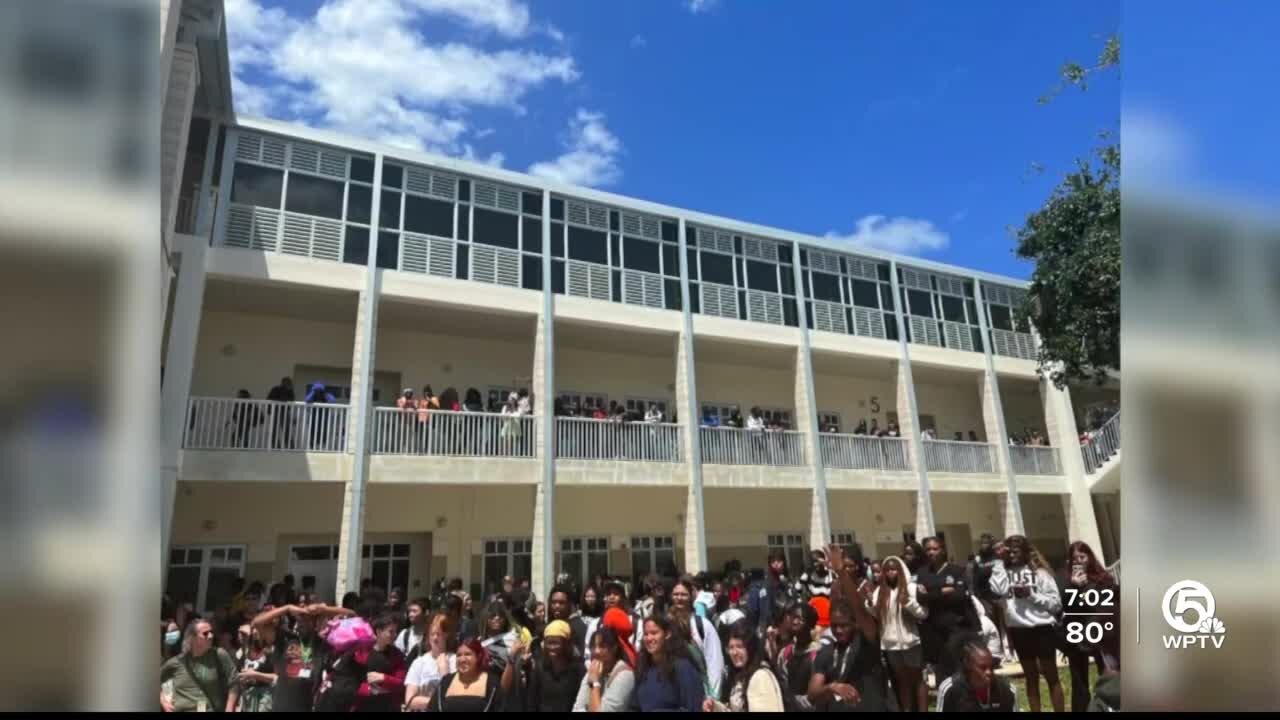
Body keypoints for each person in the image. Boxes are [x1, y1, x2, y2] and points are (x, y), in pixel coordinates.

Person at [990, 535, 1063, 713]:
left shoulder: (1040, 573)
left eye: (1016, 551)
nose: (1012, 555)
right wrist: (999, 562)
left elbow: (1056, 604)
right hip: (1019, 630)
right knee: (1031, 678)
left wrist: (1031, 595)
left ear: (1025, 552)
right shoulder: (1003, 572)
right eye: (1009, 551)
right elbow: (997, 590)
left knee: (1051, 676)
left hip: (1042, 628)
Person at [1060, 540, 1119, 711]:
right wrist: (1074, 587)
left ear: (1090, 557)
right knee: (1079, 682)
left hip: (1101, 633)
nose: (1078, 561)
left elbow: (1108, 605)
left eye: (1082, 557)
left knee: (1109, 674)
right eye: (1074, 558)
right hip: (1078, 634)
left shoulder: (1103, 579)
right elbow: (1067, 608)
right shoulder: (1067, 582)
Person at [917, 536, 979, 685]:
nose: (931, 552)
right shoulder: (923, 573)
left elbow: (959, 596)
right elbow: (920, 598)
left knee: (958, 666)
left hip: (957, 627)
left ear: (943, 550)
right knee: (941, 668)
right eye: (928, 549)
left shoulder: (957, 570)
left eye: (935, 549)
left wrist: (931, 593)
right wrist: (943, 591)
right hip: (934, 629)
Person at [873, 555, 928, 712]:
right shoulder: (880, 591)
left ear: (900, 570)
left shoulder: (911, 588)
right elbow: (878, 616)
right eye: (887, 570)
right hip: (891, 644)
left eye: (894, 569)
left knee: (917, 678)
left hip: (911, 641)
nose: (891, 573)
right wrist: (870, 604)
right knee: (902, 680)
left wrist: (909, 603)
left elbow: (923, 614)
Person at [502, 620, 584, 712]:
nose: (552, 647)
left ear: (566, 644)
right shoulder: (540, 668)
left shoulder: (578, 670)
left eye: (556, 643)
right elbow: (532, 702)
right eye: (549, 643)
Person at [702, 621, 784, 712]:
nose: (734, 652)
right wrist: (715, 707)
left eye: (740, 646)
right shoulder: (740, 676)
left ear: (750, 647)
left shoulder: (760, 677)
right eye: (731, 647)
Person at [160, 619, 240, 712]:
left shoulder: (219, 655)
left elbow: (234, 682)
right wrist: (163, 702)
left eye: (211, 632)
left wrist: (229, 708)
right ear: (192, 638)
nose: (211, 636)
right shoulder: (177, 661)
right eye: (205, 633)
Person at [632, 614, 704, 712]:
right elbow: (634, 706)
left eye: (654, 633)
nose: (649, 638)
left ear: (667, 634)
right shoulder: (643, 668)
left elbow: (694, 707)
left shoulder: (682, 668)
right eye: (646, 634)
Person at [671, 576, 725, 698]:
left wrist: (714, 698)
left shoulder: (702, 625)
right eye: (676, 594)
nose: (679, 598)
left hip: (699, 694)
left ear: (691, 596)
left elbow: (714, 662)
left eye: (683, 594)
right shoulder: (666, 625)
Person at [936, 633, 1018, 712]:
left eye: (991, 666)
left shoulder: (1007, 690)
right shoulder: (950, 689)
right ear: (967, 664)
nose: (989, 672)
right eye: (983, 667)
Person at [426, 639, 505, 712]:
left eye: (468, 654)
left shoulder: (492, 683)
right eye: (459, 655)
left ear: (478, 657)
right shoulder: (446, 681)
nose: (462, 659)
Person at [573, 625, 637, 712]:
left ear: (614, 648)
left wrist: (595, 683)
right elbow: (577, 708)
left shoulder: (625, 675)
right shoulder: (592, 671)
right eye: (593, 646)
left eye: (602, 646)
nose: (596, 651)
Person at [771, 601, 820, 711]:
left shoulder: (816, 655)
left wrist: (791, 700)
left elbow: (813, 698)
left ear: (810, 624)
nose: (795, 622)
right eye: (793, 617)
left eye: (800, 619)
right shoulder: (786, 652)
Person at [404, 613, 458, 710]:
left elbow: (456, 698)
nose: (434, 638)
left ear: (446, 635)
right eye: (432, 634)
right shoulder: (419, 663)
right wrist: (440, 701)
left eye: (438, 634)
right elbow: (410, 701)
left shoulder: (455, 661)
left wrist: (445, 674)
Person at [266, 376, 296, 448]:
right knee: (275, 429)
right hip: (276, 410)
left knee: (286, 429)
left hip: (284, 411)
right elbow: (269, 399)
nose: (289, 384)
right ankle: (276, 446)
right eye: (288, 383)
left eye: (289, 383)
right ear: (283, 383)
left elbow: (291, 400)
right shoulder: (276, 389)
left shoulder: (290, 391)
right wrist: (270, 410)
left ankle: (290, 446)